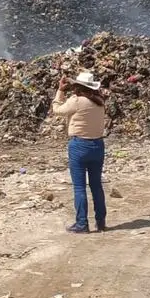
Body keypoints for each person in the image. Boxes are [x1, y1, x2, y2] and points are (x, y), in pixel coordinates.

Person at [52, 71, 111, 233]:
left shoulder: (77, 101)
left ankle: (82, 224)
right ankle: (101, 222)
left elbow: (57, 110)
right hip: (98, 145)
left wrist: (60, 90)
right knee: (96, 185)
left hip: (79, 146)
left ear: (78, 86)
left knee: (79, 187)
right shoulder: (100, 102)